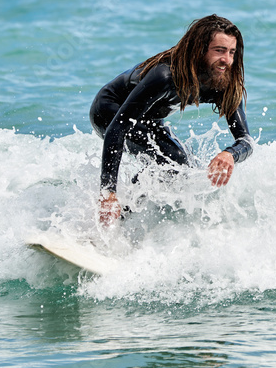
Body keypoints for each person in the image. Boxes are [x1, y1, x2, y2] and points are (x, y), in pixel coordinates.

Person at [89, 15, 254, 225]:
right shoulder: (165, 76)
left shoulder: (225, 84)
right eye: (219, 50)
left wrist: (230, 154)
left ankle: (128, 212)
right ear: (199, 49)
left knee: (186, 168)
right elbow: (118, 127)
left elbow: (247, 141)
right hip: (110, 111)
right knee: (173, 158)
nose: (227, 60)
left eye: (231, 52)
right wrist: (108, 191)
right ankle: (112, 214)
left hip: (150, 118)